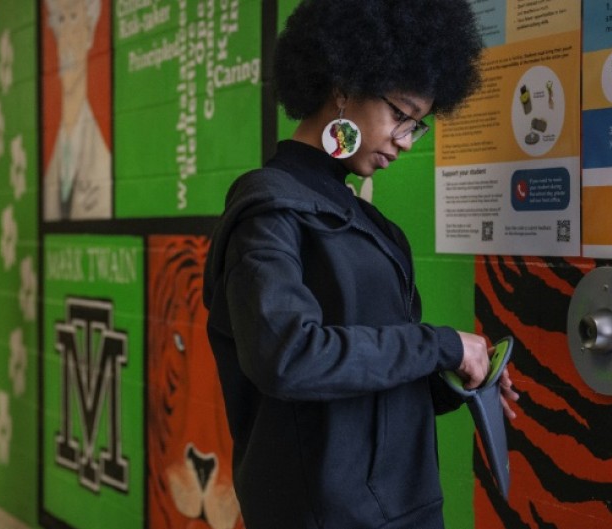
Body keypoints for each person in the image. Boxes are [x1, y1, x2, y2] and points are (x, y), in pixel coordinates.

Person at [201, 1, 520, 528]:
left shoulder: (376, 229)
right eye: (399, 115)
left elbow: (375, 385)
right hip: (326, 515)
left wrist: (460, 375)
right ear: (344, 85)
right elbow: (288, 356)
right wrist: (438, 343)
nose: (403, 141)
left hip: (408, 507)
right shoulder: (268, 210)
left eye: (417, 126)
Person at [42, 0, 112, 220]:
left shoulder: (103, 161)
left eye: (73, 18)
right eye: (60, 20)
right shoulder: (52, 167)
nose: (66, 37)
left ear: (90, 32)